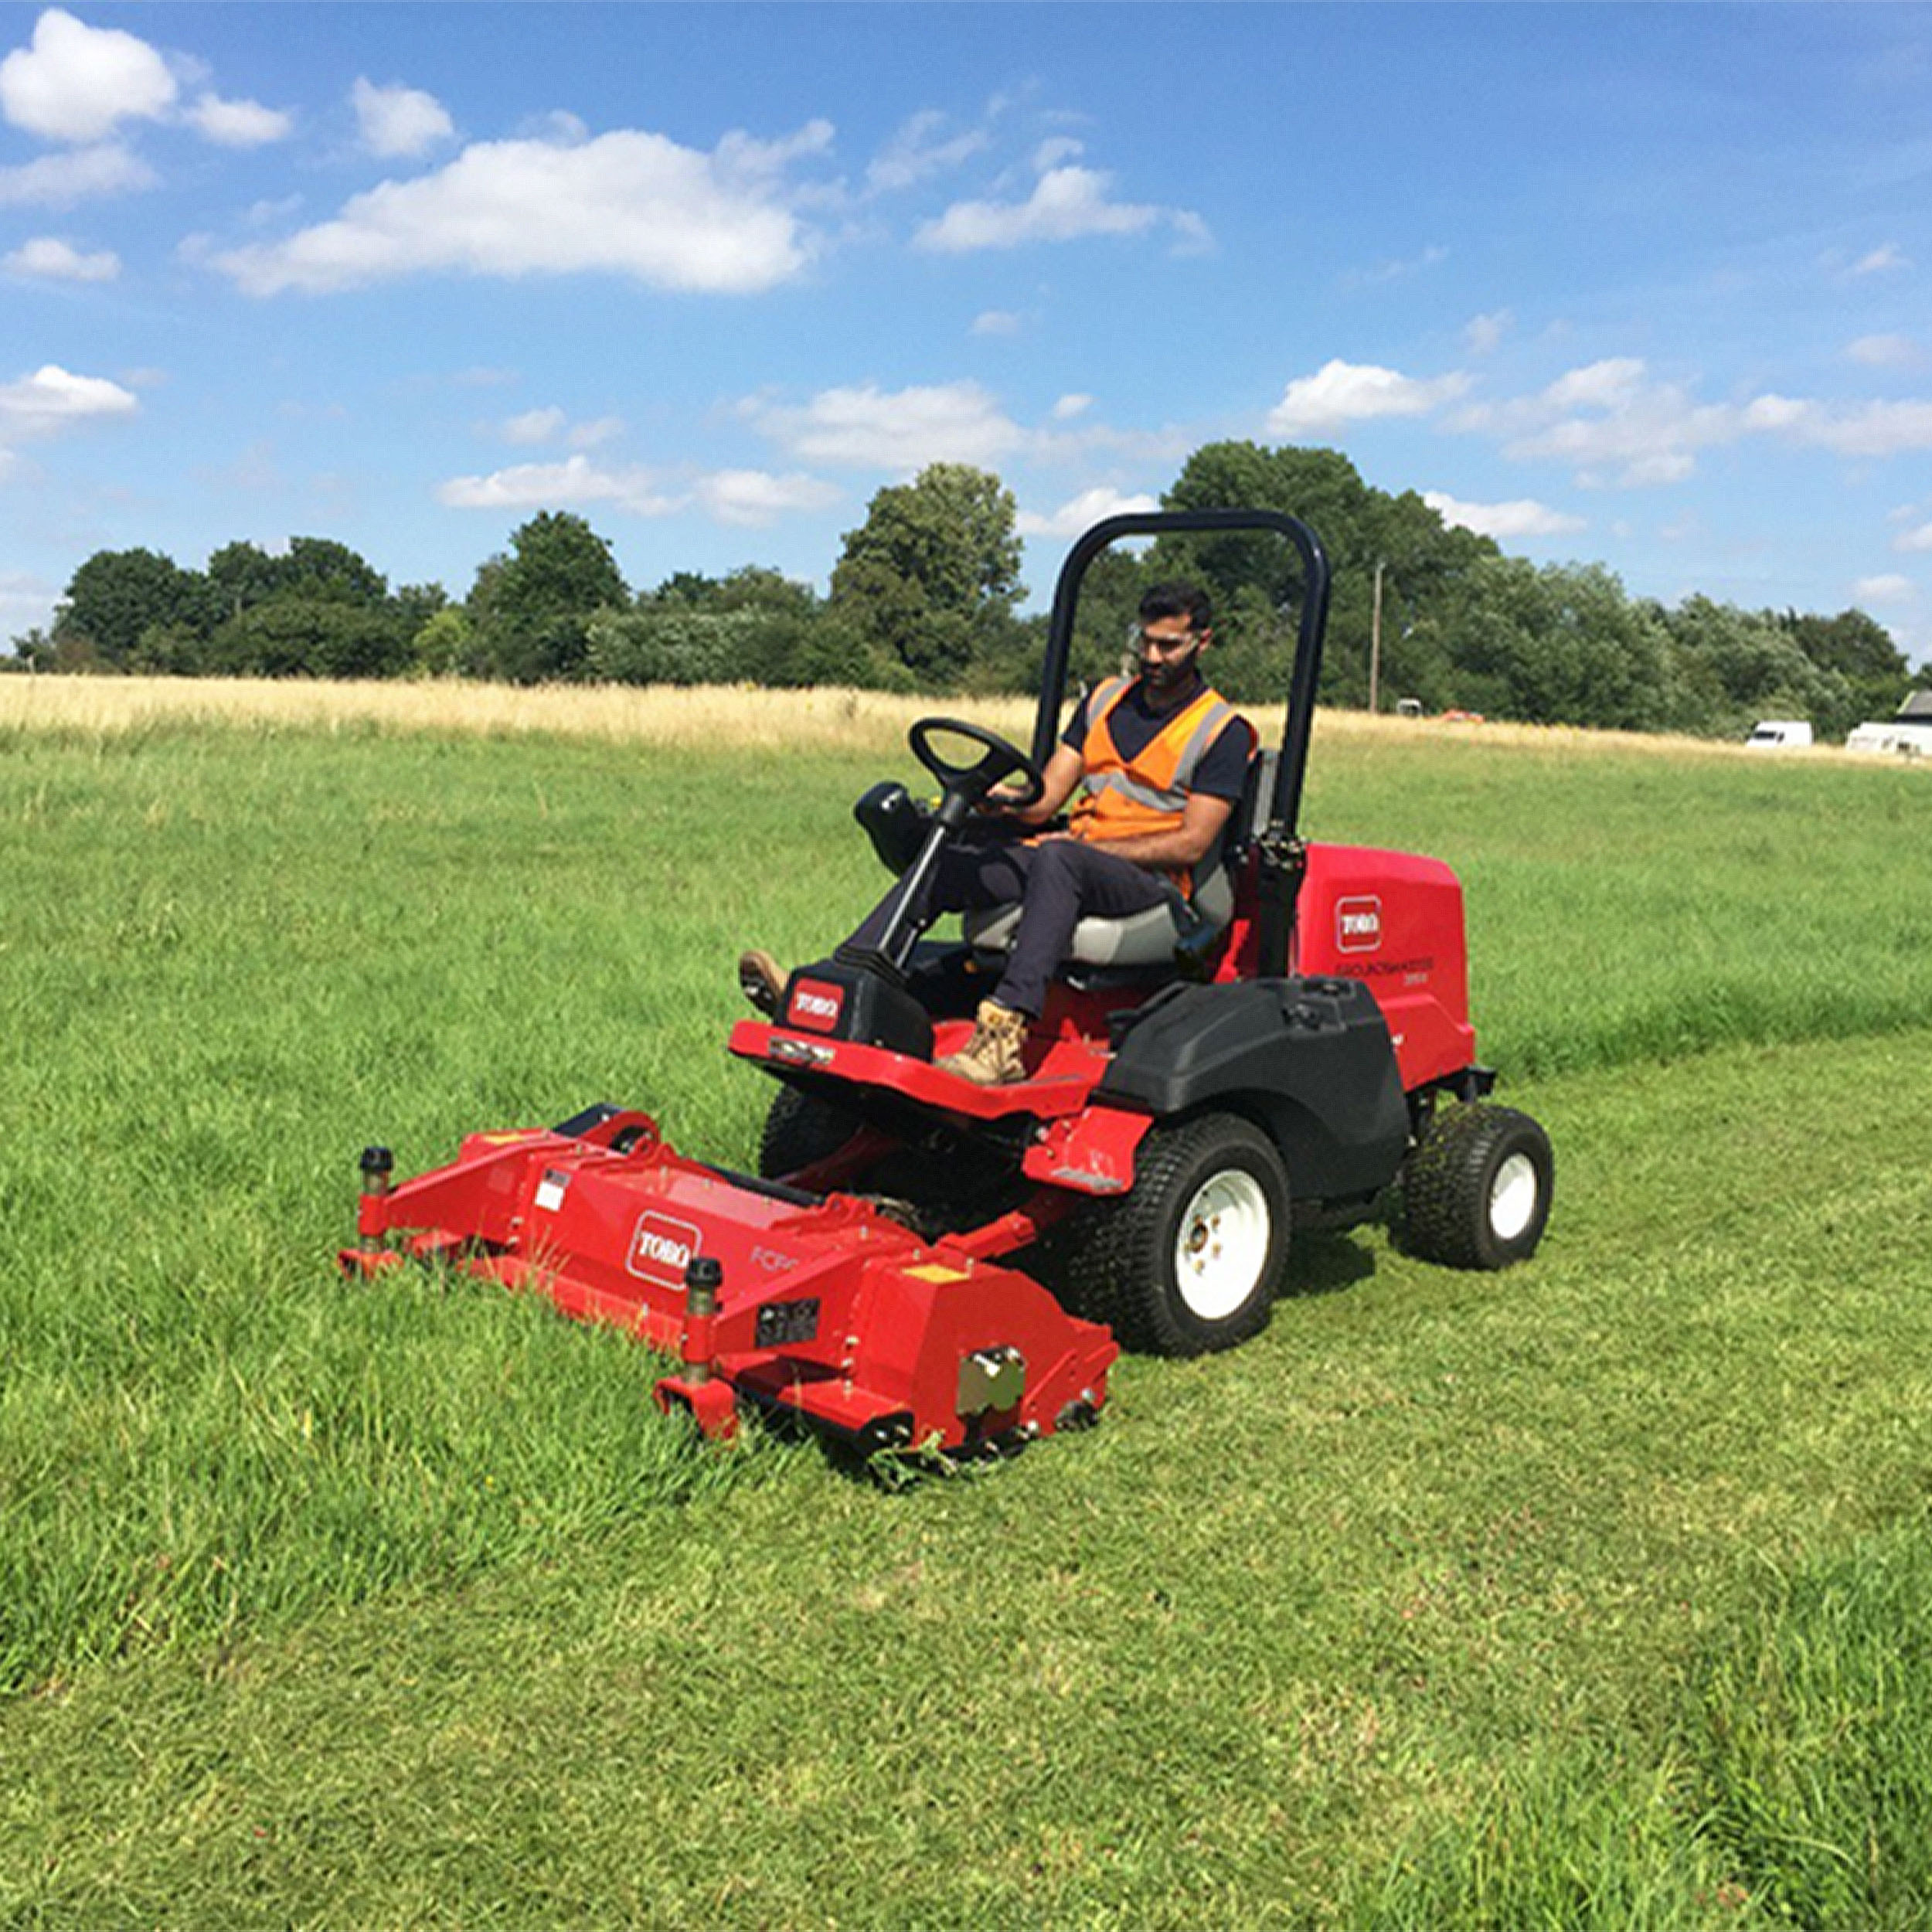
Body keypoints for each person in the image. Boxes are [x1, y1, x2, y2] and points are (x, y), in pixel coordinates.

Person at [741, 581, 1254, 1085]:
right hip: (1077, 860)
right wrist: (992, 796)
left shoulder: (1220, 730)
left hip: (1154, 886)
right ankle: (837, 987)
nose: (1153, 655)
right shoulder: (1104, 701)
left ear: (1201, 642)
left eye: (1169, 645)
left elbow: (1192, 843)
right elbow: (1047, 800)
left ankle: (1003, 1038)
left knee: (1059, 859)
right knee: (947, 860)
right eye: (1144, 641)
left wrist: (1085, 849)